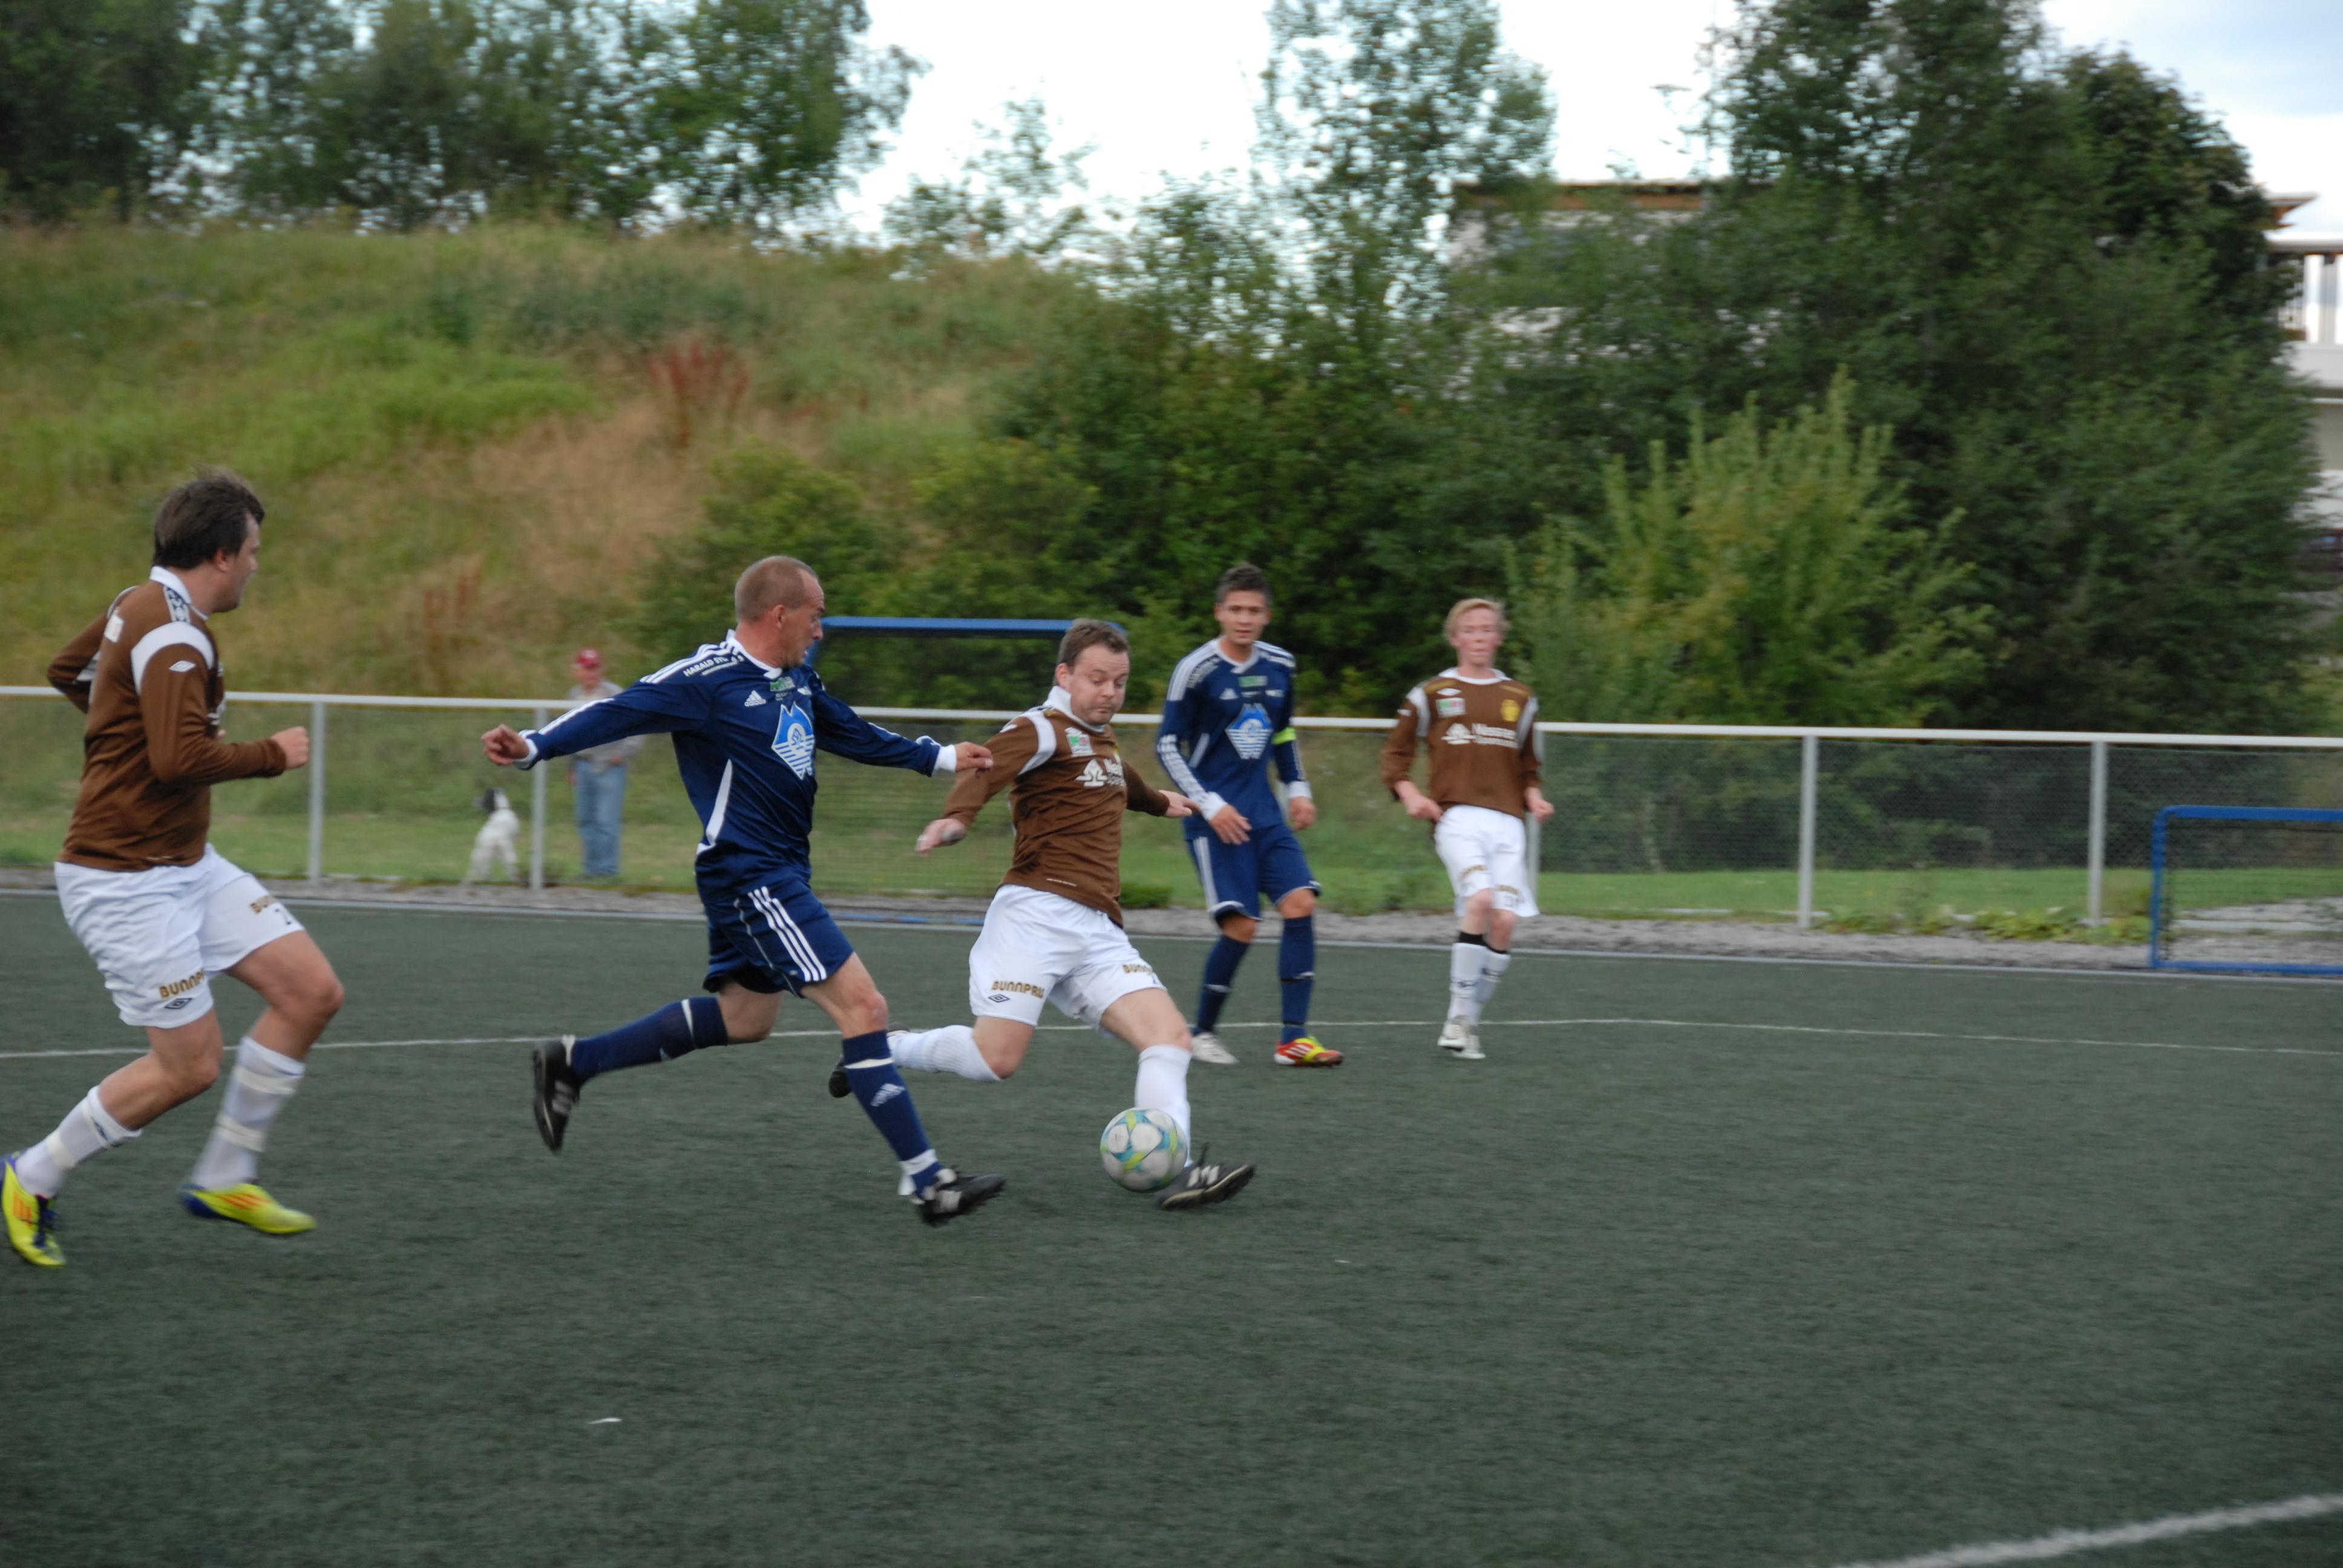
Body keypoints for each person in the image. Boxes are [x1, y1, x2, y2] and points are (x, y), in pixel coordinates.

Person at [480, 555, 1005, 1226]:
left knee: (745, 1020)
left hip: (776, 871)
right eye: (815, 616)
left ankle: (574, 1063)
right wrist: (532, 747)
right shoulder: (706, 679)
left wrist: (937, 757)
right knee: (865, 1007)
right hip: (749, 873)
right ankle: (929, 1183)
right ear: (780, 614)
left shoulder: (796, 677)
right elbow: (616, 711)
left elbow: (845, 729)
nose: (821, 630)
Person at [7, 471, 347, 1269]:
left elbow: (68, 671)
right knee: (188, 1067)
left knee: (311, 992)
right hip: (123, 879)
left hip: (186, 862)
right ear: (222, 555)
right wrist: (273, 754)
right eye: (253, 551)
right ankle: (29, 1176)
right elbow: (177, 759)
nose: (257, 565)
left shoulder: (138, 602)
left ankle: (226, 1176)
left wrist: (125, 727)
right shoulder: (173, 633)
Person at [887, 619, 1256, 1212]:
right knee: (994, 1060)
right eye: (1097, 679)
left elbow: (1115, 778)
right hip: (1034, 918)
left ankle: (1179, 1168)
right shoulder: (1038, 728)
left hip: (1097, 930)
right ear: (1065, 675)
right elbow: (986, 768)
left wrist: (1158, 802)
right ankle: (887, 1049)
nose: (1110, 692)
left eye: (1120, 682)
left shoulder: (1099, 737)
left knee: (1169, 1039)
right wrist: (956, 818)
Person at [1152, 563, 1340, 1068]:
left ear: (1267, 616)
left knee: (1300, 904)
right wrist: (1210, 805)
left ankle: (1294, 1039)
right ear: (1219, 612)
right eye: (1235, 609)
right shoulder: (1196, 670)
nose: (1244, 619)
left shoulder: (1281, 665)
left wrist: (1298, 789)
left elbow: (1283, 733)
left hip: (1266, 814)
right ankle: (1202, 1033)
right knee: (1243, 926)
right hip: (1215, 821)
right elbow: (1167, 745)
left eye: (1254, 611)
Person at [1378, 598, 1553, 1062]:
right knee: (1480, 900)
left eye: (1487, 629)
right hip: (1456, 817)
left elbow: (1529, 767)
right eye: (1470, 629)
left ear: (1499, 637)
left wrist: (1535, 797)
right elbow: (1395, 755)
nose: (1479, 637)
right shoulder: (1432, 693)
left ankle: (1470, 1024)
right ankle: (1457, 1016)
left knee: (1505, 920)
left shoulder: (1520, 697)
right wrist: (1411, 795)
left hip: (1509, 822)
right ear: (1455, 638)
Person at [565, 648, 641, 879]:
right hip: (583, 764)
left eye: (595, 667)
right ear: (578, 671)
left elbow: (638, 724)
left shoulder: (613, 693)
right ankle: (592, 869)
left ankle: (608, 871)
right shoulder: (574, 696)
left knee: (606, 820)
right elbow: (568, 731)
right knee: (586, 819)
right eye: (587, 668)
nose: (592, 673)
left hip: (609, 766)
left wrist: (624, 752)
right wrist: (572, 765)